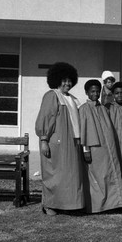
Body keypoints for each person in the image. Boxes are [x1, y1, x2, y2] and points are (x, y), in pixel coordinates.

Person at [35, 62, 84, 215]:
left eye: (69, 80)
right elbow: (45, 118)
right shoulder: (52, 95)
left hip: (73, 142)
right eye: (64, 80)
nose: (67, 84)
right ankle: (49, 204)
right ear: (56, 80)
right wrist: (44, 140)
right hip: (56, 142)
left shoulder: (74, 99)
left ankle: (68, 205)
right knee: (54, 174)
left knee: (70, 175)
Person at [79, 79, 122, 213]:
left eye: (97, 91)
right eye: (92, 91)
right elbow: (84, 130)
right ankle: (98, 206)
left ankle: (112, 205)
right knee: (97, 178)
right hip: (95, 149)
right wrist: (85, 149)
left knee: (109, 176)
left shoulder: (103, 108)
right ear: (86, 92)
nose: (95, 93)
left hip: (108, 148)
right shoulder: (83, 109)